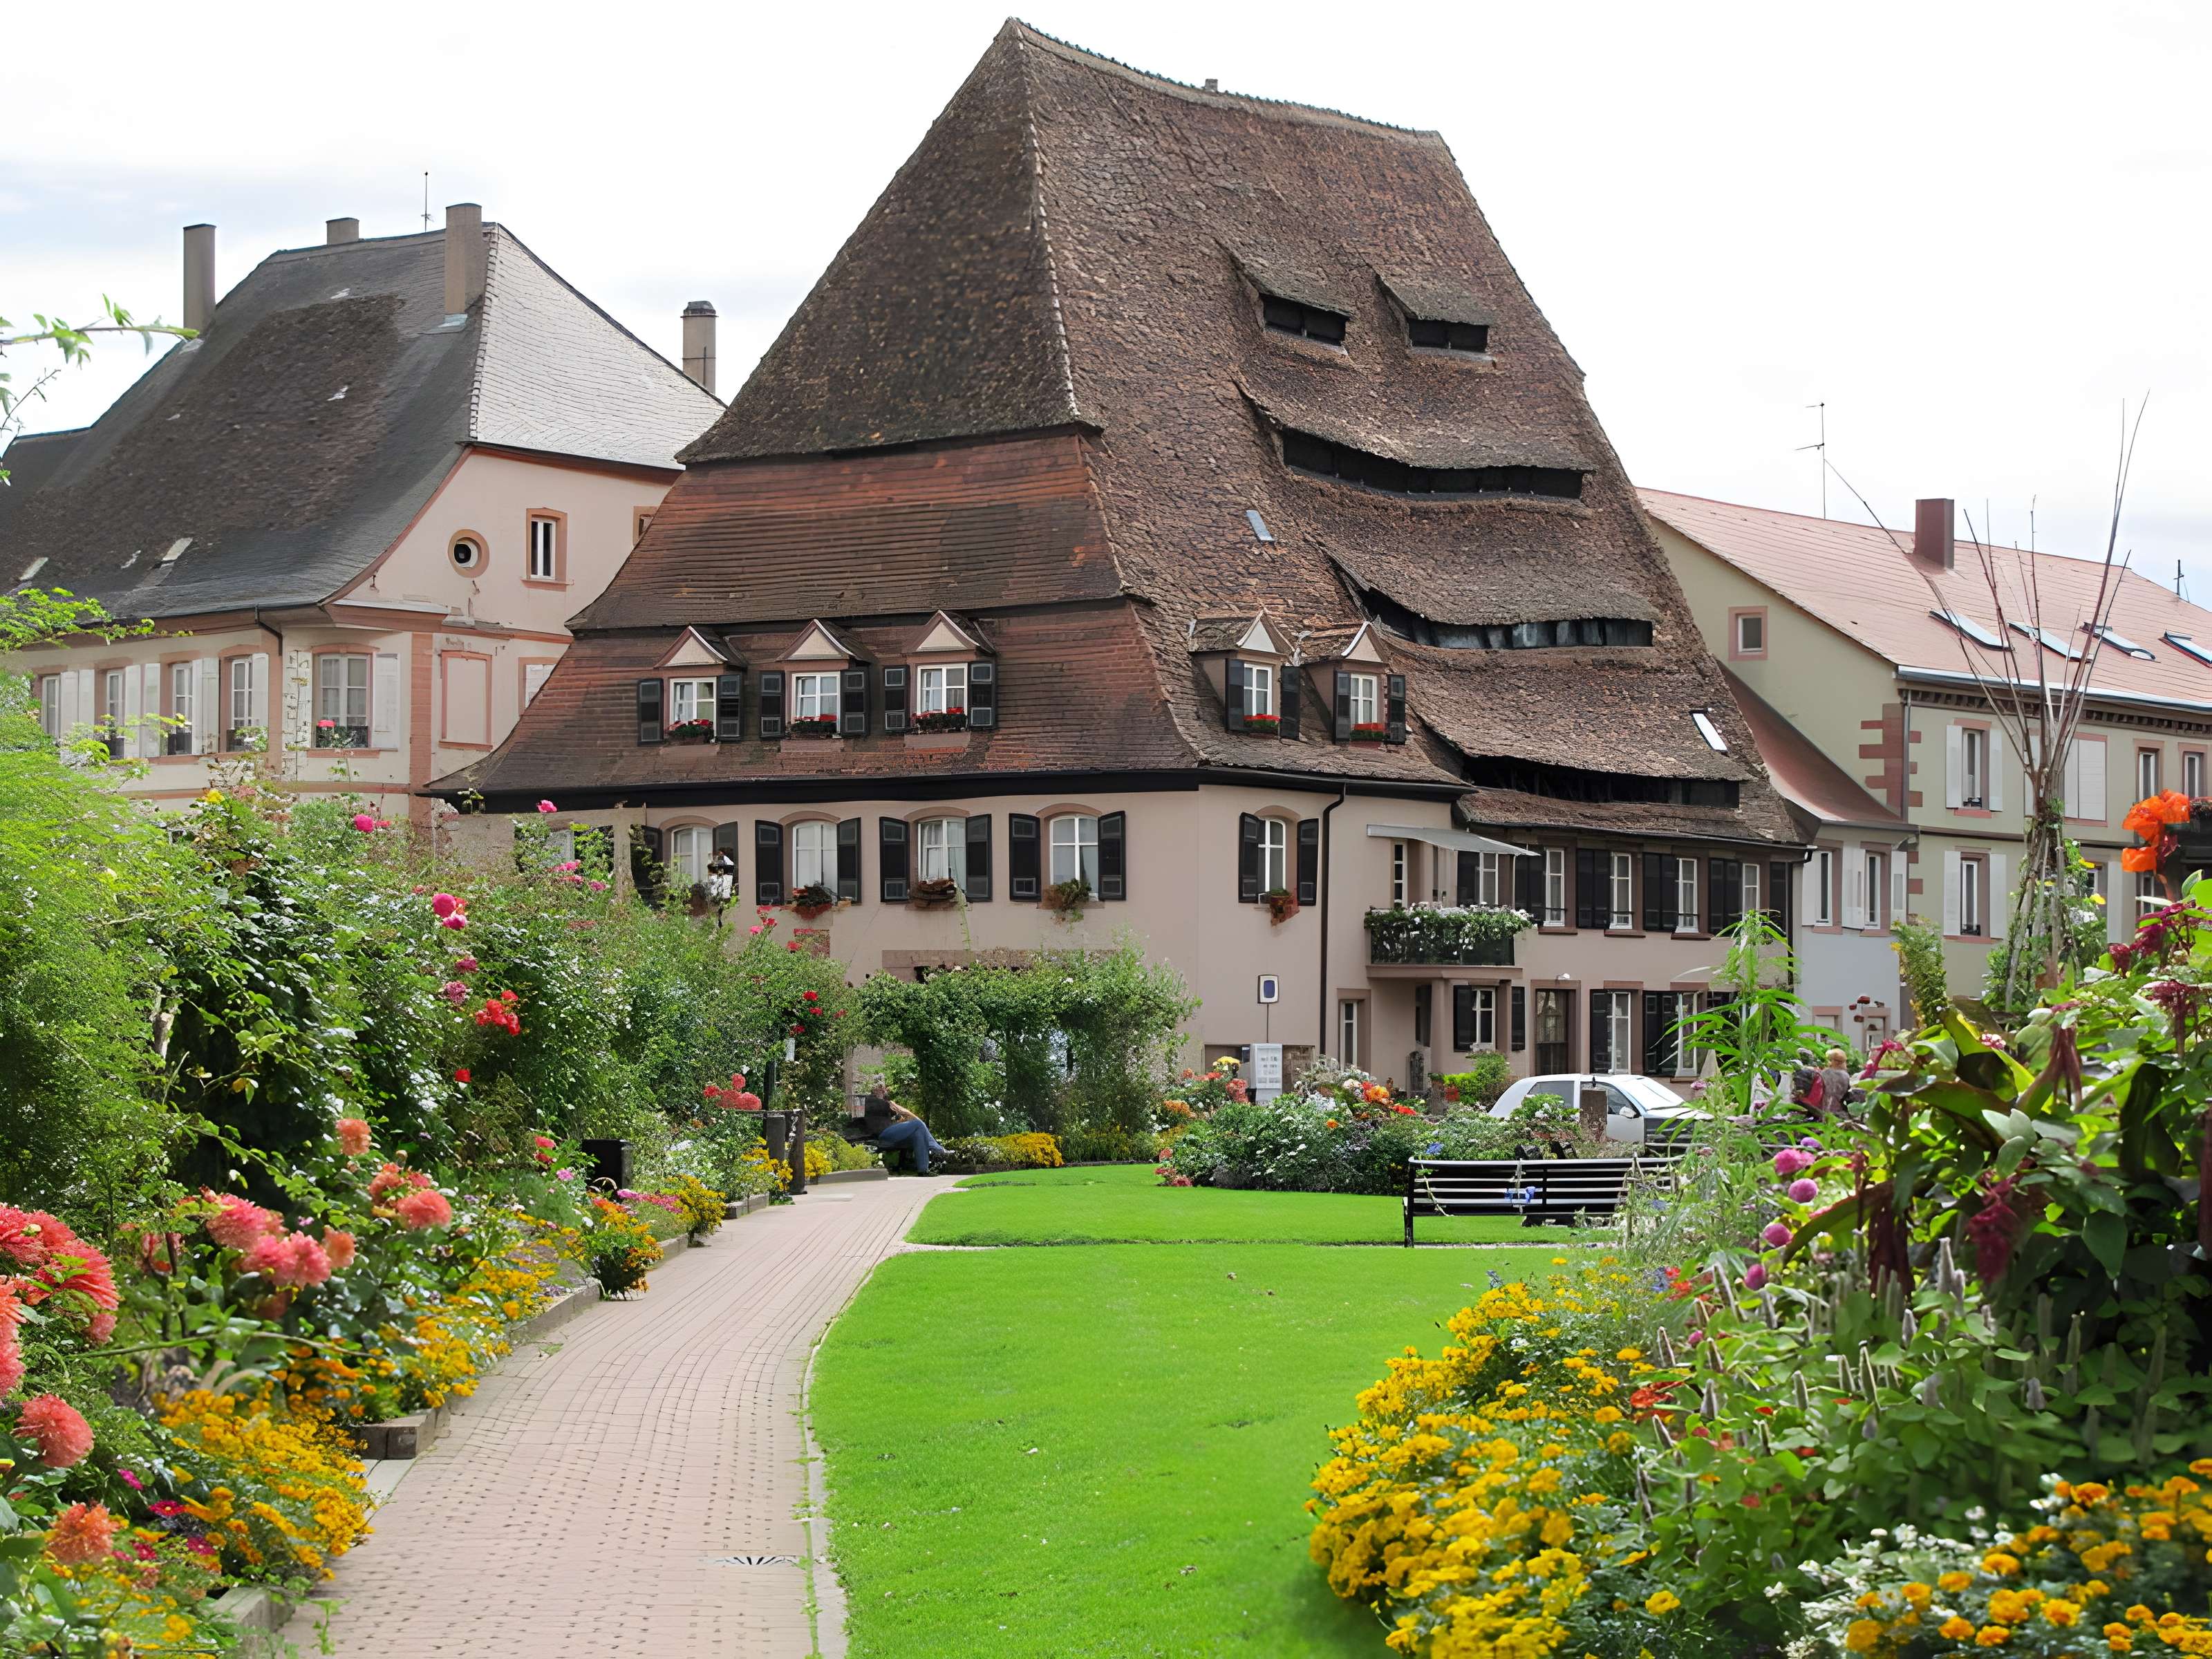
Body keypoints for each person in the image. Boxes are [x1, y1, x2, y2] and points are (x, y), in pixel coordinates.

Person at [871, 1087, 948, 1175]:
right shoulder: (875, 1103)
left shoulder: (886, 1104)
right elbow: (904, 1112)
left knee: (919, 1133)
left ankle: (923, 1171)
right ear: (875, 1092)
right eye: (881, 1090)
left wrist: (896, 1110)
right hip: (883, 1134)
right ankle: (939, 1150)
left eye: (883, 1090)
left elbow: (901, 1114)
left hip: (893, 1134)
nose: (884, 1091)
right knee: (919, 1124)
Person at [1817, 1048, 1858, 1118]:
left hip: (1823, 1109)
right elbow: (1847, 1094)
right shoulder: (1845, 1076)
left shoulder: (1823, 1073)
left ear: (1832, 1060)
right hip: (1838, 1110)